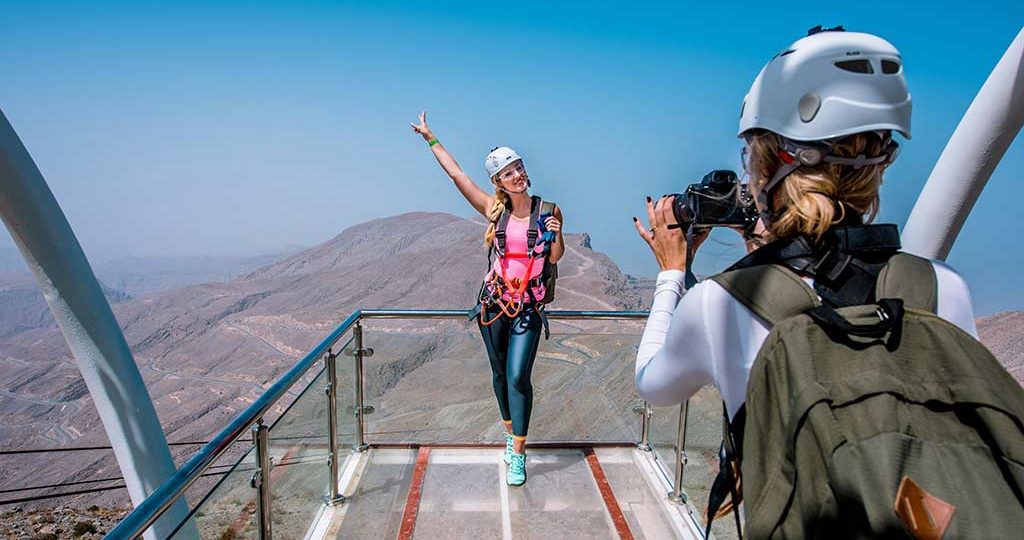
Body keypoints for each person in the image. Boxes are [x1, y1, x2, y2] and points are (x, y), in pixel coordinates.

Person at [633, 28, 988, 535]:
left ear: (771, 160)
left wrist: (672, 269)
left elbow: (653, 384)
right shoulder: (940, 285)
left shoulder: (720, 305)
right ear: (881, 161)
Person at [411, 111, 564, 486]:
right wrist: (431, 138)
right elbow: (457, 174)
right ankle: (509, 430)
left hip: (527, 307)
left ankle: (518, 453)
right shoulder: (493, 210)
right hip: (494, 305)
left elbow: (556, 256)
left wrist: (557, 233)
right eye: (509, 172)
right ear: (498, 181)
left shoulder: (549, 211)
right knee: (499, 374)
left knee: (517, 376)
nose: (518, 174)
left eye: (520, 167)